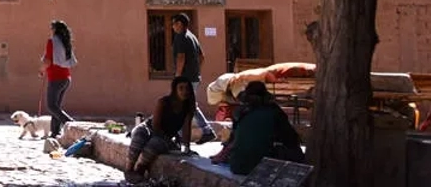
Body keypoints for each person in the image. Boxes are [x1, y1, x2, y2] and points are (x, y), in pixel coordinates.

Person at [211, 81, 303, 175]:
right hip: (258, 167)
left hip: (237, 166)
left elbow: (232, 140)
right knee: (295, 152)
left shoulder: (241, 112)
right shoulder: (273, 111)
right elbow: (291, 138)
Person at [125, 77, 197, 183]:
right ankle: (129, 170)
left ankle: (140, 170)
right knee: (139, 135)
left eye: (187, 88)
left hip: (165, 136)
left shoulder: (188, 108)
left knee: (155, 144)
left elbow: (186, 129)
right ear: (175, 90)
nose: (184, 91)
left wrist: (186, 148)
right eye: (181, 88)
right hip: (149, 128)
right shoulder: (163, 102)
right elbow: (155, 125)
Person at [171, 13, 218, 144]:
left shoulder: (181, 37)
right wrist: (195, 70)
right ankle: (203, 131)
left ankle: (182, 135)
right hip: (194, 77)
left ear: (179, 24)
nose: (172, 26)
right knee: (188, 105)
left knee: (183, 105)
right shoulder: (193, 37)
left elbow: (181, 57)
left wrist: (178, 76)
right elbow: (202, 56)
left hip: (185, 78)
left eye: (174, 23)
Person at [40, 20, 78, 139]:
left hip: (56, 78)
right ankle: (55, 132)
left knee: (52, 106)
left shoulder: (51, 42)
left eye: (51, 29)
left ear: (55, 30)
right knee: (56, 108)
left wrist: (41, 70)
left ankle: (71, 123)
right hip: (65, 78)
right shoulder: (65, 42)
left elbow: (47, 60)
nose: (50, 31)